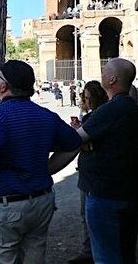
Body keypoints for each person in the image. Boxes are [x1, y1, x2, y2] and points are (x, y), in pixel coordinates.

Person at [0, 60, 81, 264]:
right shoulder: (46, 116)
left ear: (3, 86)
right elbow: (74, 144)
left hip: (3, 207)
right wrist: (47, 170)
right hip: (40, 202)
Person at [51, 58, 138, 263]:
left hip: (105, 195)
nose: (102, 74)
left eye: (105, 71)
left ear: (112, 79)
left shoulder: (110, 110)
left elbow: (76, 139)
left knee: (106, 257)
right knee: (126, 253)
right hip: (129, 192)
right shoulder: (132, 108)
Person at [66, 81, 107, 264]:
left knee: (89, 216)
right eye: (85, 97)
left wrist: (77, 132)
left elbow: (85, 143)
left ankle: (91, 252)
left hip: (93, 177)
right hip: (91, 175)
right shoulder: (97, 115)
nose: (86, 101)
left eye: (89, 98)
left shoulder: (97, 117)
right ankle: (90, 250)